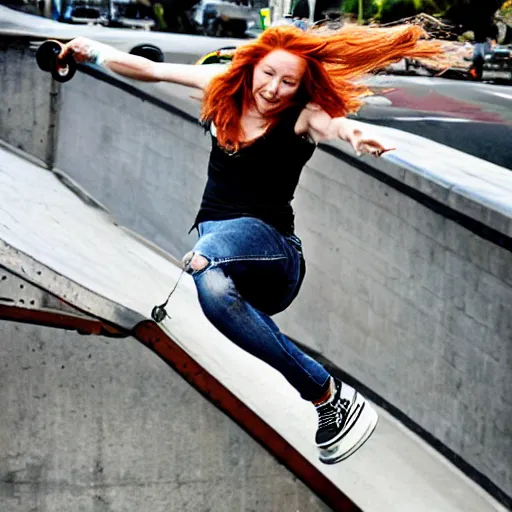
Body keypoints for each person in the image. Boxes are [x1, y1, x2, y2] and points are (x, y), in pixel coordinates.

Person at [60, 24, 442, 463]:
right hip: (228, 267)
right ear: (253, 66)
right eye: (268, 75)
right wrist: (90, 51)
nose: (274, 90)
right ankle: (328, 399)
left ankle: (320, 388)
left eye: (289, 82)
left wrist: (355, 135)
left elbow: (332, 123)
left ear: (300, 87)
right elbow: (149, 69)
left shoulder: (300, 115)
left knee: (206, 255)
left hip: (274, 254)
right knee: (211, 286)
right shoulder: (224, 86)